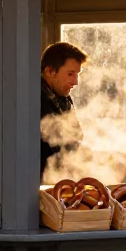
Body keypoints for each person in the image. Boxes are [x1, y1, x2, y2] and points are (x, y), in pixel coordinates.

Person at [40, 41, 87, 179]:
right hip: (39, 183)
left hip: (58, 178)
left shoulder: (63, 97)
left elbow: (76, 136)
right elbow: (54, 148)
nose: (75, 82)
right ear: (50, 71)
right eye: (70, 74)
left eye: (77, 74)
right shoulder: (33, 99)